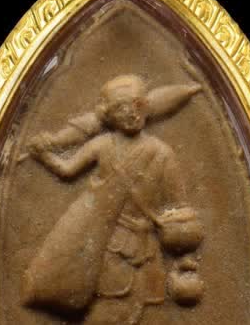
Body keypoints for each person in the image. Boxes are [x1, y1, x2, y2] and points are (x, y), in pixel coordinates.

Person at [20, 75, 205, 324]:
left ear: (146, 106)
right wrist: (43, 154)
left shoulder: (162, 154)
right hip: (109, 248)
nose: (131, 113)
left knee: (151, 313)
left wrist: (185, 256)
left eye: (137, 104)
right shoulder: (101, 145)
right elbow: (67, 170)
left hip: (148, 252)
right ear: (107, 115)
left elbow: (180, 210)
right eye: (121, 108)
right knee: (106, 311)